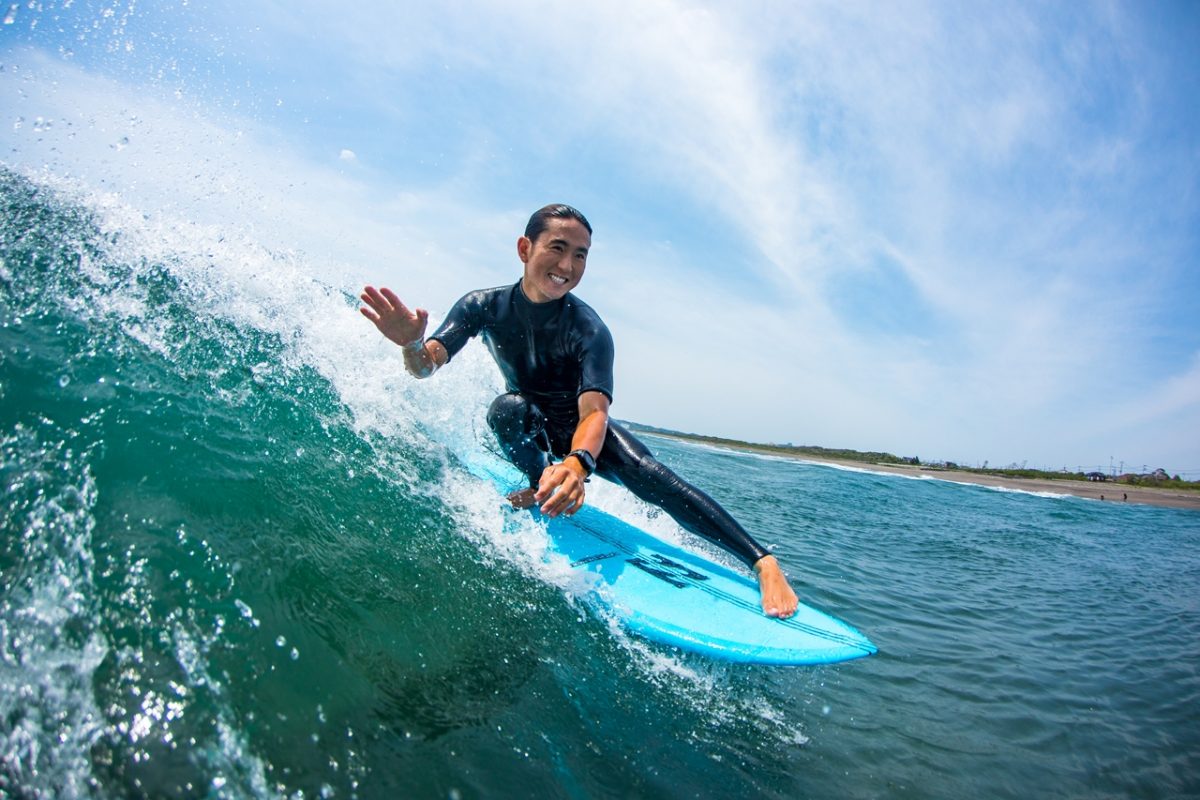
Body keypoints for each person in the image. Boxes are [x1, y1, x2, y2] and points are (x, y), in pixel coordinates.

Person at [360, 204, 799, 618]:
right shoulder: (482, 307)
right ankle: (540, 484)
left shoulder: (588, 329)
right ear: (524, 249)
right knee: (507, 409)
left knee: (650, 476)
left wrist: (577, 463)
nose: (568, 265)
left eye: (580, 255)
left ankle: (762, 561)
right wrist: (412, 345)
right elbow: (427, 366)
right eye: (558, 248)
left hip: (585, 434)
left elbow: (594, 413)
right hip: (531, 423)